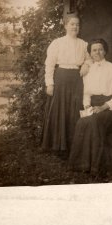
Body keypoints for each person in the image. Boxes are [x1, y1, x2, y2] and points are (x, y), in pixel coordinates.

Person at [68, 38, 112, 176]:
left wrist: (103, 107)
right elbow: (86, 93)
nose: (97, 52)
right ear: (90, 53)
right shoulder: (88, 70)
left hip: (110, 107)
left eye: (100, 49)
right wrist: (87, 106)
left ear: (105, 51)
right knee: (82, 122)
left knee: (94, 121)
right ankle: (80, 164)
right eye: (94, 50)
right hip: (93, 105)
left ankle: (95, 166)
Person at [41, 14, 91, 157]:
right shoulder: (57, 43)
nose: (75, 27)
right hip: (61, 78)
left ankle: (71, 145)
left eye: (77, 24)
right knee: (60, 109)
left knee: (74, 109)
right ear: (65, 26)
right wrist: (49, 84)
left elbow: (89, 59)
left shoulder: (83, 44)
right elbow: (49, 64)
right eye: (72, 24)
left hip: (76, 79)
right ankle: (57, 145)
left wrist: (86, 65)